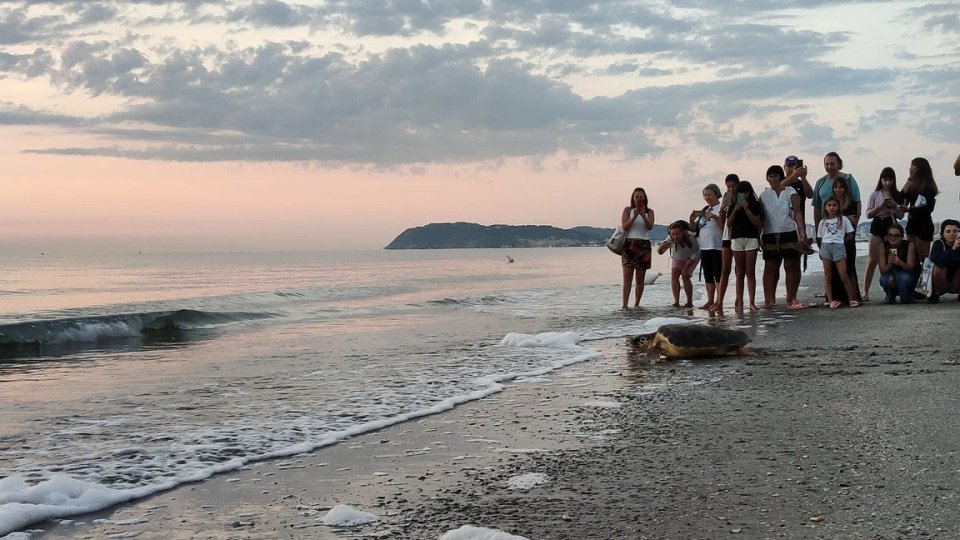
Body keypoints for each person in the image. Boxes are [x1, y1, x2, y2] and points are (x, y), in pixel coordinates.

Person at [760, 165, 808, 309]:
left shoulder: (790, 191)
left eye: (775, 175)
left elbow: (797, 213)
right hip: (769, 232)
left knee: (791, 266)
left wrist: (802, 232)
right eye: (770, 176)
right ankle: (769, 300)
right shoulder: (764, 195)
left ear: (781, 176)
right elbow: (761, 217)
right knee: (770, 267)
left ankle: (791, 298)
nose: (772, 178)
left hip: (788, 231)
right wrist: (758, 237)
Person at [864, 168, 905, 302]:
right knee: (872, 260)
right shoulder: (875, 194)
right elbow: (868, 214)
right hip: (877, 224)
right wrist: (880, 206)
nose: (887, 182)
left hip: (890, 225)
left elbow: (901, 215)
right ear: (881, 180)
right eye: (884, 179)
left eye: (889, 179)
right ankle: (865, 292)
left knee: (890, 258)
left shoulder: (897, 195)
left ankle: (890, 291)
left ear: (893, 180)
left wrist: (894, 206)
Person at [725, 180, 762, 312]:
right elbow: (728, 223)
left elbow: (757, 222)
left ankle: (752, 302)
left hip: (751, 238)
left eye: (745, 192)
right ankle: (739, 301)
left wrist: (746, 208)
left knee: (750, 271)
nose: (743, 195)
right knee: (740, 272)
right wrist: (735, 210)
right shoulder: (733, 205)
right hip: (737, 239)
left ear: (749, 192)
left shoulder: (754, 204)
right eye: (740, 193)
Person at [817, 196, 860, 308]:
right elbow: (821, 237)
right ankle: (831, 300)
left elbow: (850, 234)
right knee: (828, 275)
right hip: (826, 246)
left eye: (834, 205)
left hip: (839, 246)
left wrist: (841, 241)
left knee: (844, 275)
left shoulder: (843, 219)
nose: (832, 207)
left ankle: (852, 299)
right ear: (825, 207)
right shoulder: (823, 222)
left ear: (838, 207)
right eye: (829, 205)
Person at [812, 152, 861, 246]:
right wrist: (818, 230)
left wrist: (855, 223)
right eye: (827, 164)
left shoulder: (848, 179)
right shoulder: (820, 182)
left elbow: (857, 202)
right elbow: (817, 208)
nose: (829, 166)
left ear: (839, 164)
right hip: (827, 230)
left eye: (832, 164)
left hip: (846, 230)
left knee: (847, 258)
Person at [708, 174, 740, 312]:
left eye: (733, 186)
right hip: (726, 235)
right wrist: (721, 212)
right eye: (728, 186)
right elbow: (723, 223)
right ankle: (719, 302)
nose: (731, 189)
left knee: (740, 270)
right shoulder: (726, 198)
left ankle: (739, 300)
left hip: (739, 236)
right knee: (724, 270)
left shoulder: (742, 196)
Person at [689, 184, 723, 309]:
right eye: (705, 195)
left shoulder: (721, 207)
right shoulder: (705, 209)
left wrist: (714, 217)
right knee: (708, 275)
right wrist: (692, 220)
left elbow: (725, 226)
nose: (707, 197)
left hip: (717, 246)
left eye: (710, 194)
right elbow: (694, 230)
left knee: (718, 274)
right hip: (704, 247)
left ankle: (719, 301)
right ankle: (710, 300)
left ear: (716, 194)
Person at [829, 175, 862, 303]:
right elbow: (828, 221)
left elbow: (854, 221)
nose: (838, 190)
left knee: (850, 267)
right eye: (835, 187)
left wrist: (843, 219)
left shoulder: (852, 203)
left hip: (848, 239)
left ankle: (853, 296)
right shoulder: (831, 203)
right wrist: (846, 218)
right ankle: (837, 296)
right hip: (834, 240)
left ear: (845, 188)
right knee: (835, 269)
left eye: (841, 187)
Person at [620, 187, 655, 308]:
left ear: (644, 198)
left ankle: (637, 304)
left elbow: (649, 227)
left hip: (644, 245)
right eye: (637, 197)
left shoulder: (649, 211)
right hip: (630, 244)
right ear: (633, 198)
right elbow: (625, 227)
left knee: (640, 278)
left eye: (641, 196)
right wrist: (634, 217)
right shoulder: (628, 210)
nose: (639, 199)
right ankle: (624, 305)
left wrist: (643, 216)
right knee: (627, 277)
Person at [901, 157, 939, 261]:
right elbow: (902, 196)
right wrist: (910, 178)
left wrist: (909, 209)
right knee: (912, 257)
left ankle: (924, 276)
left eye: (912, 166)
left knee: (923, 257)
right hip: (912, 223)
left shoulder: (928, 186)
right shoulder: (913, 184)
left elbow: (927, 208)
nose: (910, 168)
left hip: (923, 225)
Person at [657, 220, 700, 308]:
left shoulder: (691, 236)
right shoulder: (670, 238)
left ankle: (689, 302)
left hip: (692, 257)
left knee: (685, 276)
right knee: (674, 274)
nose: (675, 236)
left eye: (677, 234)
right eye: (673, 234)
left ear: (683, 232)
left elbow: (697, 252)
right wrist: (661, 246)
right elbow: (660, 252)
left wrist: (686, 267)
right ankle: (676, 302)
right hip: (677, 257)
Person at [877, 223, 918, 304]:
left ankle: (907, 296)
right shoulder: (882, 246)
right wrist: (890, 264)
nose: (893, 238)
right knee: (884, 279)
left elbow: (911, 268)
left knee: (902, 278)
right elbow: (882, 271)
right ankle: (890, 295)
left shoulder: (909, 245)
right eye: (890, 235)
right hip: (889, 274)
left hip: (905, 274)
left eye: (896, 235)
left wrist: (900, 263)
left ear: (902, 236)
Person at [928, 219, 960, 303]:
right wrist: (953, 249)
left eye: (955, 231)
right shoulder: (938, 243)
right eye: (948, 231)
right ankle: (935, 295)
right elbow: (939, 261)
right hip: (940, 282)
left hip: (956, 281)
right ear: (943, 233)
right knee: (939, 268)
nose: (952, 234)